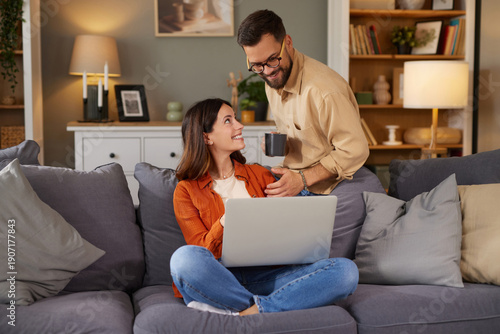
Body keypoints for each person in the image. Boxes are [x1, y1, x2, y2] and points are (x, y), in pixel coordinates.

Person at [170, 98, 359, 316]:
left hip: (270, 277)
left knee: (346, 272)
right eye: (228, 121)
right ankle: (272, 305)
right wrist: (225, 222)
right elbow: (202, 250)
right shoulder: (186, 190)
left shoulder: (260, 175)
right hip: (221, 279)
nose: (240, 125)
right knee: (184, 259)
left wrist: (293, 192)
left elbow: (293, 226)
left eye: (236, 119)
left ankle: (246, 312)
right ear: (206, 137)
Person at [237, 10, 369, 197]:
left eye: (272, 59)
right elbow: (310, 141)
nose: (266, 71)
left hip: (322, 187)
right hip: (293, 176)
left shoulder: (324, 92)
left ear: (288, 43)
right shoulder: (274, 80)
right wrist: (281, 145)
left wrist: (302, 179)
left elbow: (355, 150)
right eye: (257, 65)